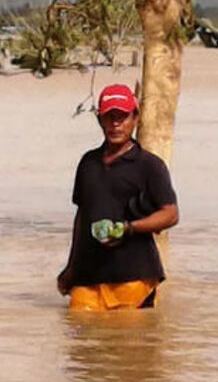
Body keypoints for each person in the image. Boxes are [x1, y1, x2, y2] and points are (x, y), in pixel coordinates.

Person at [57, 84, 179, 311]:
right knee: (80, 340)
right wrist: (71, 267)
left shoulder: (149, 165)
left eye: (122, 117)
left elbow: (170, 215)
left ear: (135, 118)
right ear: (99, 120)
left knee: (127, 343)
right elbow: (82, 217)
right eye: (109, 117)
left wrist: (128, 228)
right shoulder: (88, 163)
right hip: (88, 276)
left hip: (134, 276)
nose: (115, 124)